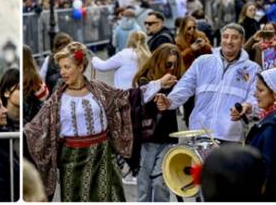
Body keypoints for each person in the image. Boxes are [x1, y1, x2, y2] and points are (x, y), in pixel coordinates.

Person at [24, 42, 175, 201]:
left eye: (67, 67)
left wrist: (158, 84)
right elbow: (36, 127)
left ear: (80, 67)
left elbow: (128, 98)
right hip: (72, 159)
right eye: (60, 68)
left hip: (102, 154)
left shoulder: (99, 90)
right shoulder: (57, 98)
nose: (62, 72)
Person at [155, 23, 260, 144]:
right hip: (200, 132)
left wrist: (247, 107)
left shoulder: (252, 69)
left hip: (230, 135)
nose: (229, 41)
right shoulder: (202, 62)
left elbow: (255, 97)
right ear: (221, 39)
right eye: (225, 37)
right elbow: (185, 86)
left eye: (234, 38)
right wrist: (170, 101)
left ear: (243, 41)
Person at [132, 44, 185, 202]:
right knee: (144, 185)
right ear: (159, 61)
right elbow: (141, 98)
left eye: (175, 64)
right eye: (168, 64)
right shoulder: (146, 80)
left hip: (168, 137)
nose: (172, 68)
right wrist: (160, 84)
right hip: (147, 138)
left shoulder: (177, 81)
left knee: (160, 183)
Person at [245, 65, 276, 201]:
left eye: (260, 90)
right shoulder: (272, 117)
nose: (255, 94)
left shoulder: (275, 124)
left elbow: (268, 166)